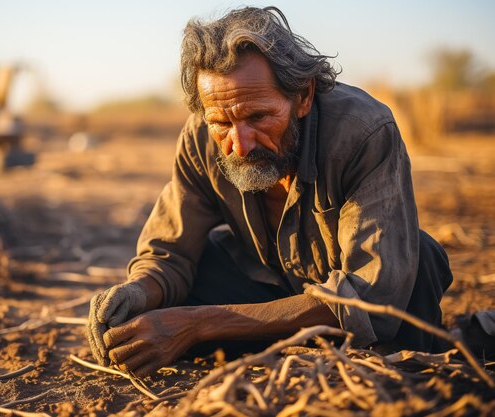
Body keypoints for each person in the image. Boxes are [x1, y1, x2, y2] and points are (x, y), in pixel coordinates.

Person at [86, 6, 453, 376]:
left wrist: (198, 324)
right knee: (192, 273)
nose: (240, 145)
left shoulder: (363, 132)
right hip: (266, 295)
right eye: (220, 123)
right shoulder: (200, 137)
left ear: (303, 96)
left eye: (258, 117)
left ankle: (449, 344)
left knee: (418, 256)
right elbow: (170, 256)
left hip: (356, 322)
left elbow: (369, 296)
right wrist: (137, 292)